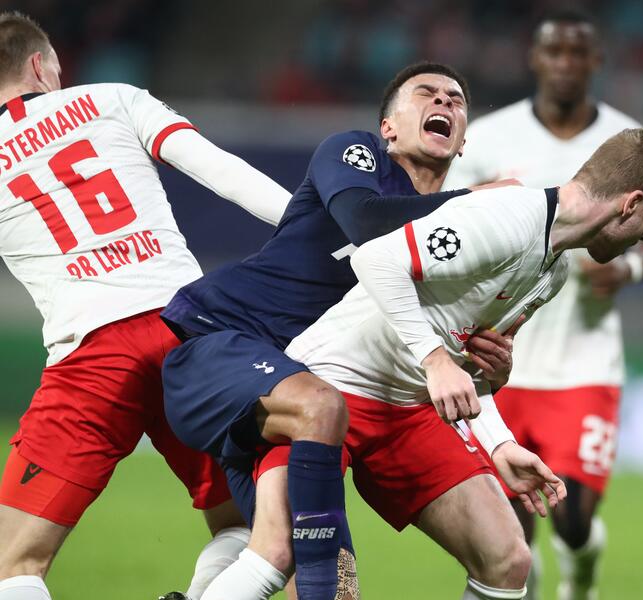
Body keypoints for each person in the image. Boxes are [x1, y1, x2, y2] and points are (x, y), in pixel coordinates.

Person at [276, 127, 643, 600]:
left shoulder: (554, 271)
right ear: (631, 203)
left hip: (407, 411)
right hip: (327, 390)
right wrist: (435, 359)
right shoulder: (508, 216)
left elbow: (469, 365)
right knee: (317, 581)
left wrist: (498, 443)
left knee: (509, 560)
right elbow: (375, 260)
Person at [159, 62, 515, 600]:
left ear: (463, 142)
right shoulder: (355, 152)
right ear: (388, 127)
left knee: (308, 569)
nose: (444, 101)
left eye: (456, 99)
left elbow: (441, 351)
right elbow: (365, 221)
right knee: (312, 541)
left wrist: (490, 372)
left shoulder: (459, 242)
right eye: (427, 93)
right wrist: (474, 201)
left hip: (314, 390)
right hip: (225, 343)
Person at [0, 12, 293, 600]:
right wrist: (321, 236)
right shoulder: (113, 98)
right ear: (39, 65)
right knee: (247, 526)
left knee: (15, 563)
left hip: (91, 354)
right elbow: (224, 173)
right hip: (189, 333)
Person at [443, 9, 643, 599]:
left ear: (595, 61)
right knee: (513, 523)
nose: (566, 64)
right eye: (555, 51)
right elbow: (453, 219)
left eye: (578, 53)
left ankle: (582, 572)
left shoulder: (630, 141)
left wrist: (627, 267)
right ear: (536, 58)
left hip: (584, 361)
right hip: (497, 358)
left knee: (572, 519)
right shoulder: (489, 139)